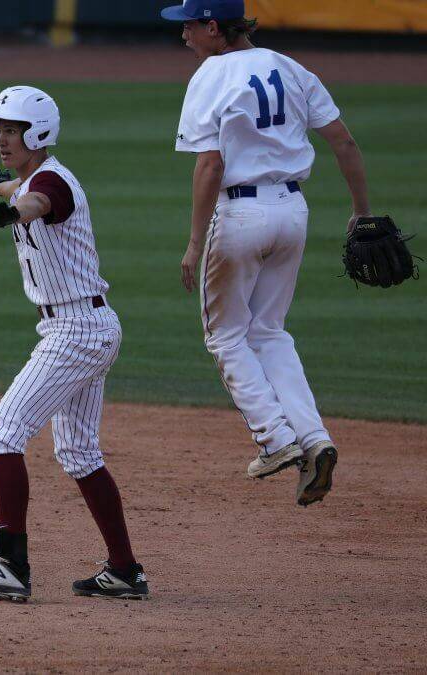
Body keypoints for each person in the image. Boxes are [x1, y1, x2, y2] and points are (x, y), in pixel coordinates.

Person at [0, 86, 149, 601]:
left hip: (76, 332)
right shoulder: (35, 176)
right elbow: (22, 186)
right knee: (79, 453)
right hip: (87, 326)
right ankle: (125, 571)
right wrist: (3, 191)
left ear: (37, 133)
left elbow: (41, 200)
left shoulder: (52, 182)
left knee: (2, 434)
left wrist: (18, 209)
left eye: (9, 129)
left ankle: (10, 563)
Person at [161, 0, 361, 505]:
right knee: (268, 331)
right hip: (293, 212)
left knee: (225, 335)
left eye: (189, 24)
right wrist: (362, 210)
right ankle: (315, 440)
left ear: (213, 26)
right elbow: (344, 142)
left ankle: (274, 440)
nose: (183, 33)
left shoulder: (211, 75)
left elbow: (209, 165)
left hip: (241, 215)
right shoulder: (291, 67)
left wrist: (193, 241)